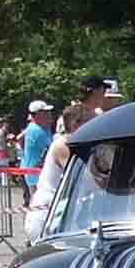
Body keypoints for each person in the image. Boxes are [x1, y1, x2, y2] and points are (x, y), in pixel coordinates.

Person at [25, 102, 101, 240]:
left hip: (62, 211)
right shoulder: (63, 145)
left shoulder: (78, 146)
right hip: (47, 213)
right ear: (75, 124)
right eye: (91, 122)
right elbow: (87, 179)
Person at [21, 99, 54, 192]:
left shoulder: (43, 128)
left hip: (37, 174)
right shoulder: (36, 131)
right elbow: (53, 148)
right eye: (46, 112)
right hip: (35, 176)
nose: (49, 114)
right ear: (38, 114)